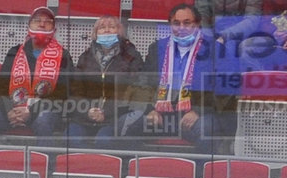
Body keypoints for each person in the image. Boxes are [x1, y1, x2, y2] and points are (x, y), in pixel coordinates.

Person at [0, 7, 75, 150]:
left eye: (47, 22)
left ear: (54, 29)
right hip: (13, 112)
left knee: (44, 121)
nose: (42, 24)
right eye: (37, 21)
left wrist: (31, 111)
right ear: (29, 25)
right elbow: (1, 87)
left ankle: (45, 168)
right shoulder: (15, 52)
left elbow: (63, 92)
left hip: (44, 112)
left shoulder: (63, 55)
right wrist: (9, 111)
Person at [128, 3, 219, 148]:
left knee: (206, 130)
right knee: (124, 124)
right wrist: (149, 110)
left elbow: (222, 89)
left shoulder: (215, 49)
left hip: (195, 115)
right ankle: (132, 168)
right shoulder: (158, 48)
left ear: (198, 24)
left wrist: (198, 112)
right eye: (176, 23)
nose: (181, 27)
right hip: (161, 116)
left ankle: (199, 170)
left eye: (187, 23)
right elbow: (143, 82)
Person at [68, 15, 146, 146]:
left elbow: (133, 91)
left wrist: (106, 112)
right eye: (102, 28)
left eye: (112, 27)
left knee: (104, 141)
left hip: (114, 118)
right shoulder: (85, 57)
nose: (107, 30)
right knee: (72, 139)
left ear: (119, 32)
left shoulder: (132, 57)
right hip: (85, 117)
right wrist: (88, 111)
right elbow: (75, 90)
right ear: (95, 34)